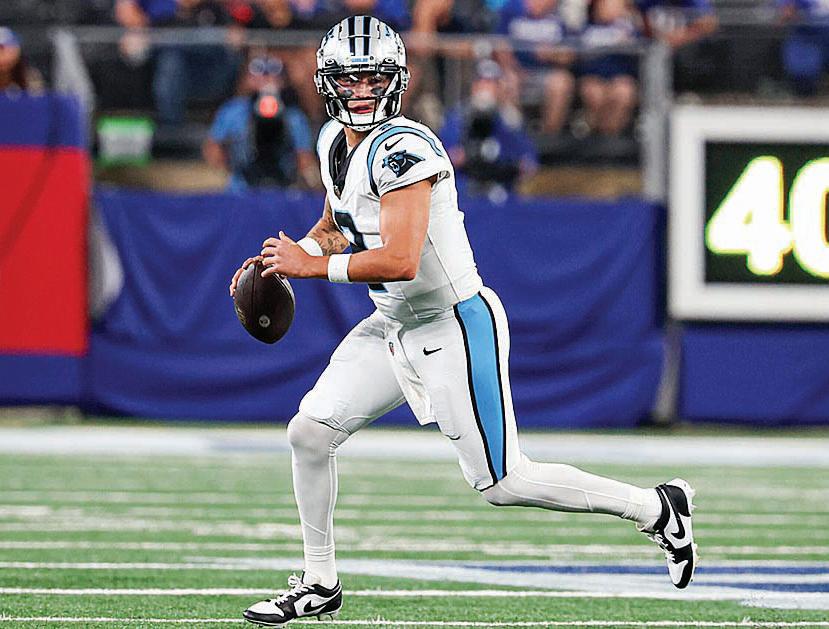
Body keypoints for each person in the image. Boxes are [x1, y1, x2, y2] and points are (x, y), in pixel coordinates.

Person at [229, 15, 697, 627]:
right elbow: (335, 224)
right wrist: (291, 257)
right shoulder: (332, 142)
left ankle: (655, 507)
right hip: (393, 324)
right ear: (327, 83)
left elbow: (399, 259)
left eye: (374, 78)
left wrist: (312, 268)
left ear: (397, 81)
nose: (363, 90)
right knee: (309, 433)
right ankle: (319, 582)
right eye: (350, 78)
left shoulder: (405, 148)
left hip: (452, 324)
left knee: (503, 482)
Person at [203, 50, 317, 191]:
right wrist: (225, 169)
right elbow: (213, 146)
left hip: (282, 187)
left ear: (282, 81)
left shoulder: (294, 117)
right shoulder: (233, 111)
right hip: (241, 186)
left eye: (272, 75)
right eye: (261, 75)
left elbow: (304, 157)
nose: (266, 80)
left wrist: (308, 180)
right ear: (248, 79)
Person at [440, 58, 537, 199]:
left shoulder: (510, 119)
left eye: (491, 83)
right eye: (481, 82)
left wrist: (502, 158)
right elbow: (446, 158)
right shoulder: (457, 118)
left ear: (500, 88)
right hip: (464, 187)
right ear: (473, 86)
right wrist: (466, 155)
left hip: (502, 187)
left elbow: (528, 163)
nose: (485, 88)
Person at [496, 0, 576, 135]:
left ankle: (550, 136)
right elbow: (500, 47)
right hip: (516, 71)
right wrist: (513, 68)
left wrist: (553, 54)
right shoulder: (511, 14)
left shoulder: (559, 19)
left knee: (562, 83)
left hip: (548, 72)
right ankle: (515, 136)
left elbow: (570, 54)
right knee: (507, 82)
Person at [577, 0, 641, 137]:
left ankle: (610, 136)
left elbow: (639, 53)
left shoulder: (628, 29)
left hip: (620, 77)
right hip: (592, 77)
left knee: (623, 93)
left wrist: (627, 42)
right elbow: (578, 57)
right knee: (595, 94)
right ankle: (594, 135)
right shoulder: (587, 28)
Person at [777, 0, 829, 96]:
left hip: (822, 34)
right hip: (807, 36)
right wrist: (788, 7)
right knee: (802, 76)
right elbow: (785, 13)